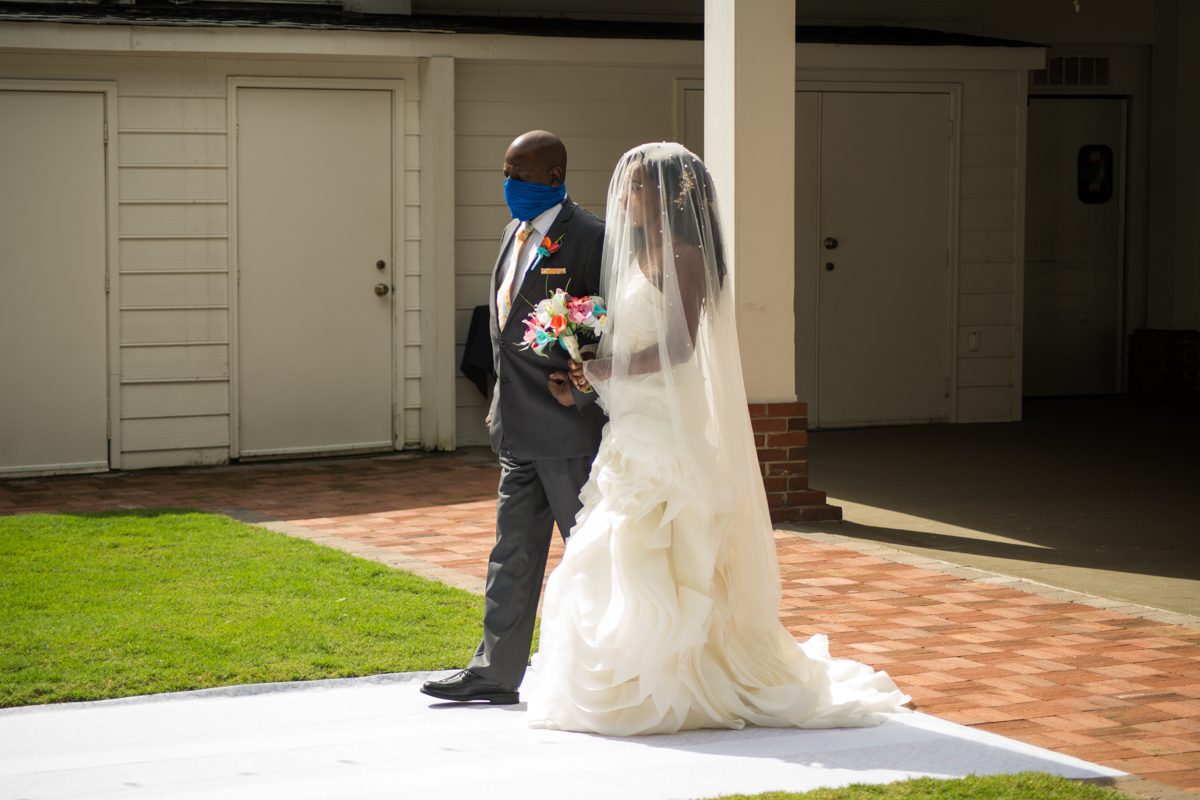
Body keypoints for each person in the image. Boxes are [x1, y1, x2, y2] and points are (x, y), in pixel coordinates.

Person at [525, 143, 910, 735]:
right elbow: (631, 340)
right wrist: (589, 368)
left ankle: (682, 676)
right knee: (614, 547)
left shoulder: (682, 256)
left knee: (648, 541)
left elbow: (678, 347)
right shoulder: (635, 255)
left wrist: (604, 371)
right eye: (624, 187)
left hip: (666, 431)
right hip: (632, 423)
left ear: (667, 195)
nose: (624, 198)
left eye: (635, 188)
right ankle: (631, 673)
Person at [421, 131, 606, 705]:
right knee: (512, 551)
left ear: (554, 176)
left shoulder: (592, 238)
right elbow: (506, 328)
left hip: (568, 426)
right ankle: (495, 671)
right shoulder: (513, 233)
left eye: (520, 174)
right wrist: (499, 401)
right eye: (505, 172)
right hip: (516, 426)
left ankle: (606, 669)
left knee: (590, 552)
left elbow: (613, 325)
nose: (509, 185)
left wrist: (584, 386)